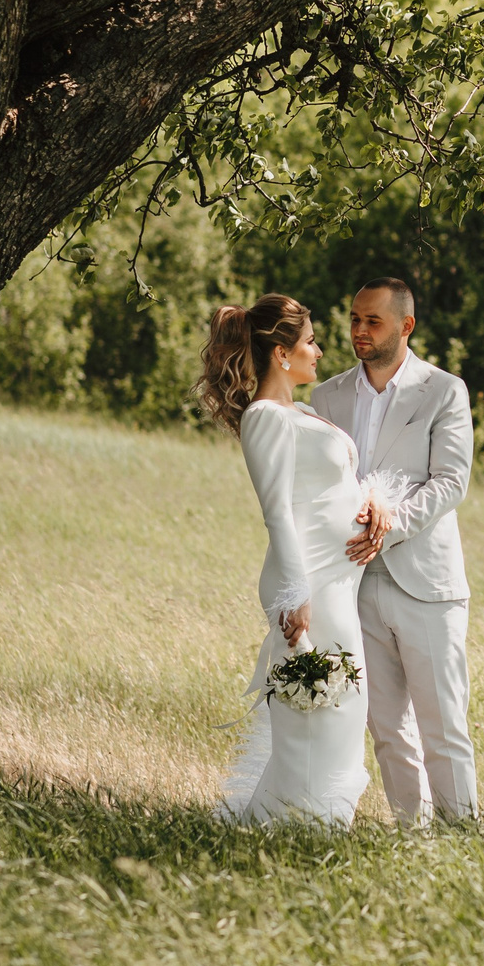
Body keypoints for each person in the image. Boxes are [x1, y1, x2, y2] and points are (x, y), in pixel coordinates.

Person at [200, 293, 375, 826]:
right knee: (319, 709)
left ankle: (315, 825)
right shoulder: (266, 419)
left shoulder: (299, 413)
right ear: (281, 353)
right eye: (309, 341)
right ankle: (292, 826)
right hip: (310, 589)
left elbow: (332, 485)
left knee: (343, 709)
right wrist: (295, 596)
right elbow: (277, 513)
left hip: (338, 586)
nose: (319, 351)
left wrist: (372, 501)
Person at [310, 277, 479, 822]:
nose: (359, 330)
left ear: (406, 326)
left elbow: (450, 481)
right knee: (385, 727)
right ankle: (413, 833)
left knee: (443, 726)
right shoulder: (326, 395)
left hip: (425, 583)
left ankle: (464, 837)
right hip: (352, 583)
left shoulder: (444, 391)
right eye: (354, 318)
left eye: (372, 321)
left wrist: (388, 523)